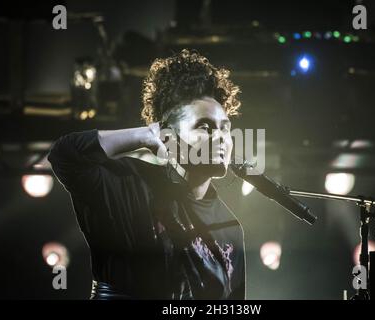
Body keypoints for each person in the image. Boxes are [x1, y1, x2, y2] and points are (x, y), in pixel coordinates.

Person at [48, 49, 246, 299]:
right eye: (204, 127)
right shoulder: (127, 183)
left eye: (225, 129)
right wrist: (143, 135)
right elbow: (66, 155)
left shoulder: (230, 228)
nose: (220, 138)